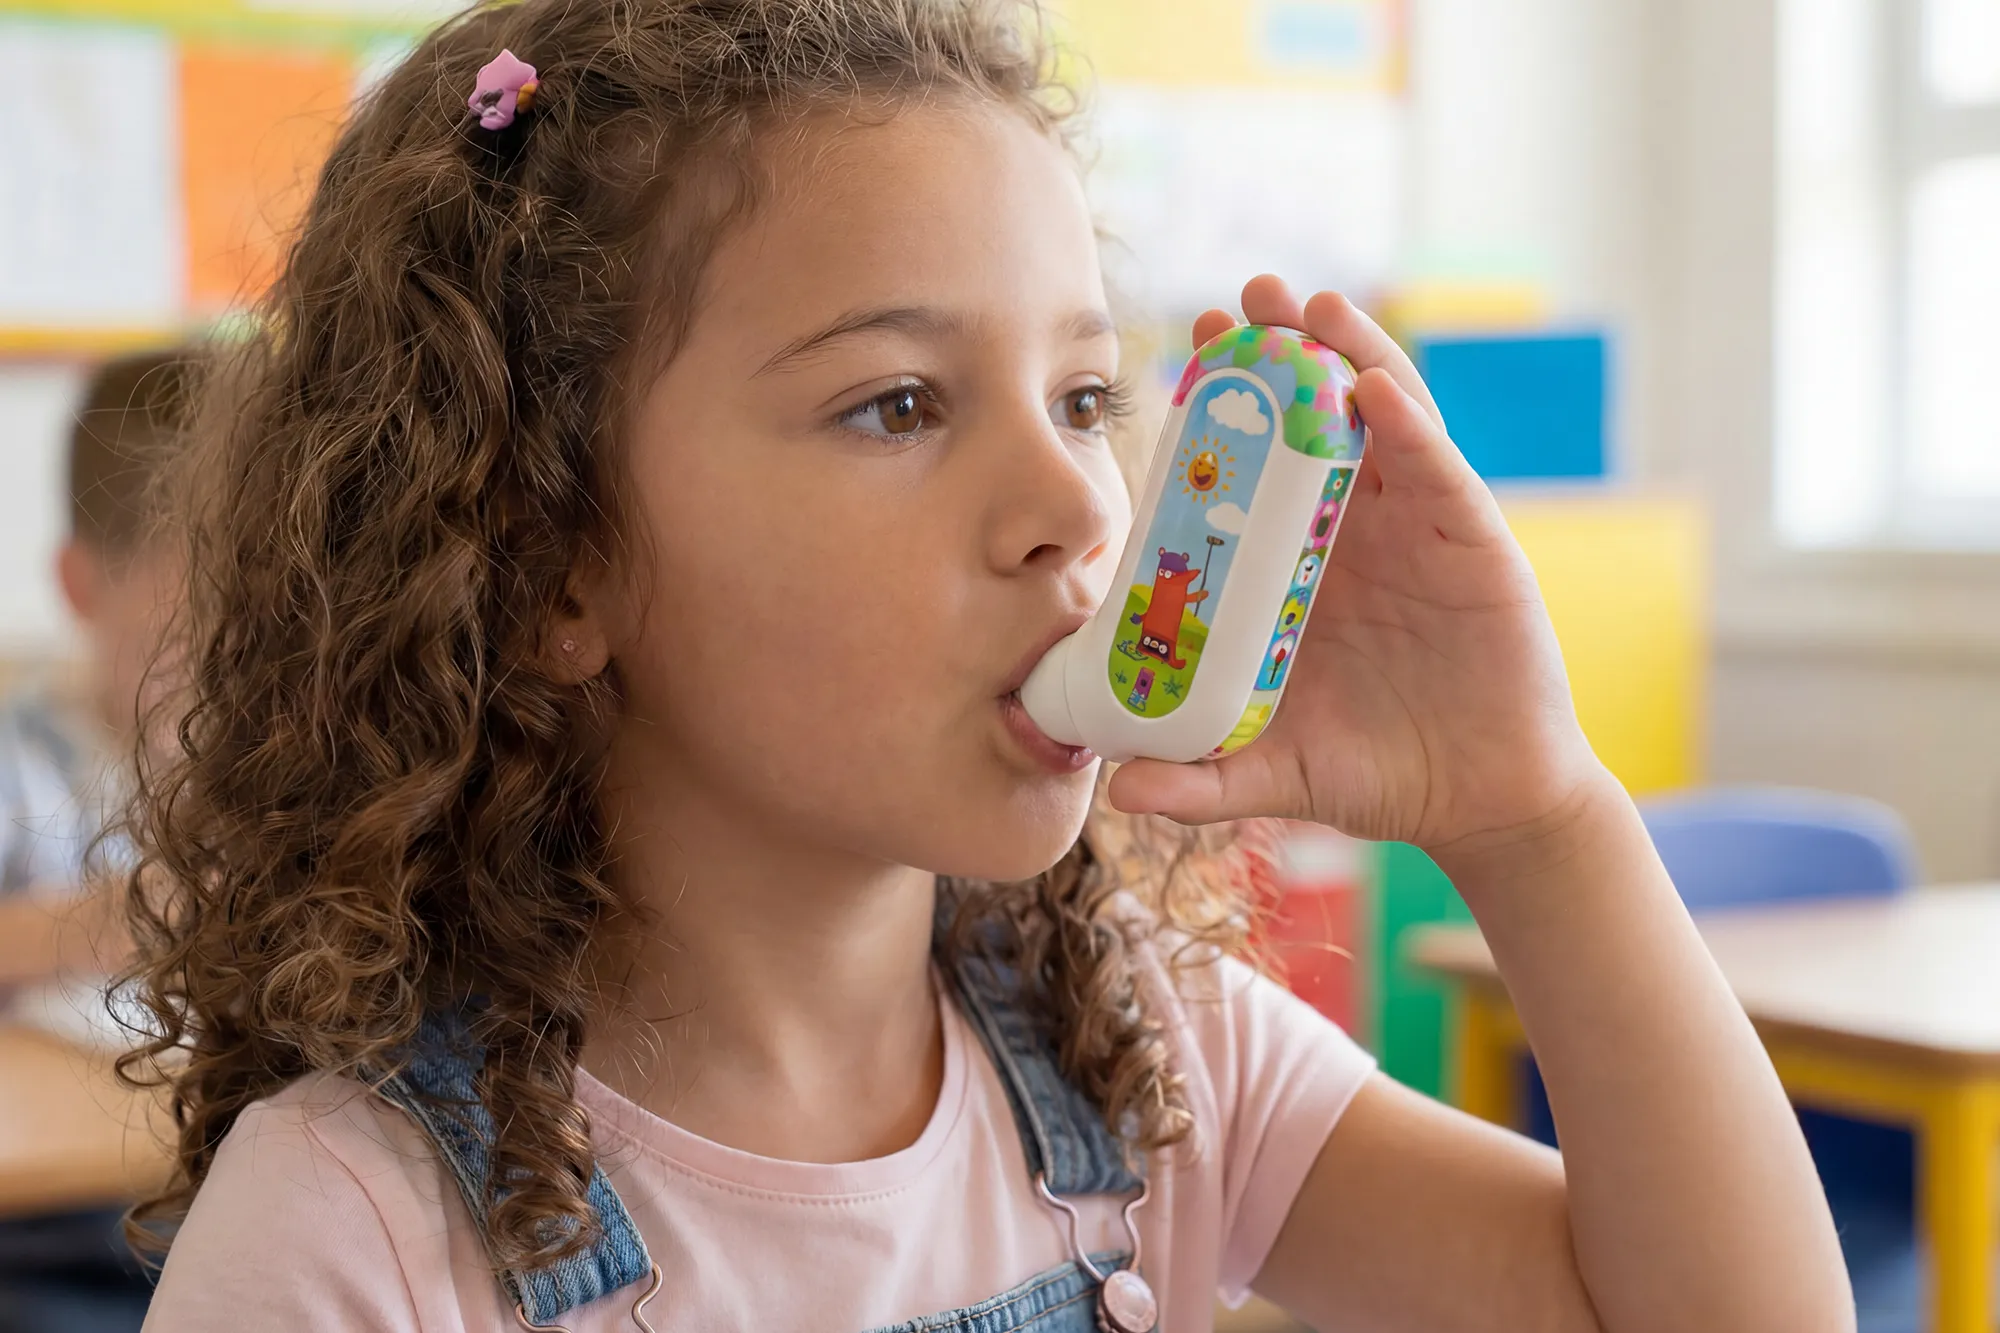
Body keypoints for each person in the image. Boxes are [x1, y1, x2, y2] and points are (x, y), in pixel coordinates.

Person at [126, 2, 1852, 1330]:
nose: (1071, 504)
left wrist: (1535, 811)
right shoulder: (352, 1229)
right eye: (899, 402)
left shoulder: (1151, 1062)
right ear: (553, 555)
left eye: (1089, 397)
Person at [0, 348, 191, 1333]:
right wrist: (90, 924)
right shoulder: (25, 764)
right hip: (67, 1234)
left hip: (221, 1192)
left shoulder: (289, 773)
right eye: (183, 627)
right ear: (81, 583)